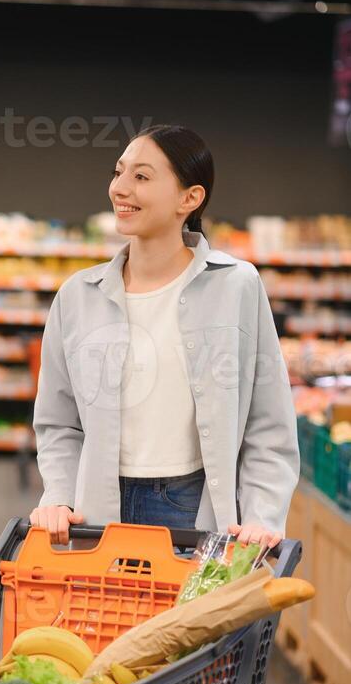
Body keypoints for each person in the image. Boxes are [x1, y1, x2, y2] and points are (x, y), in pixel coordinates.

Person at [29, 124, 300, 548]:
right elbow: (58, 422)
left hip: (193, 505)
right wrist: (59, 496)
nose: (120, 188)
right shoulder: (78, 297)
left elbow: (269, 424)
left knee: (188, 618)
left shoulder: (236, 287)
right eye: (118, 172)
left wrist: (263, 516)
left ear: (189, 198)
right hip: (97, 510)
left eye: (141, 176)